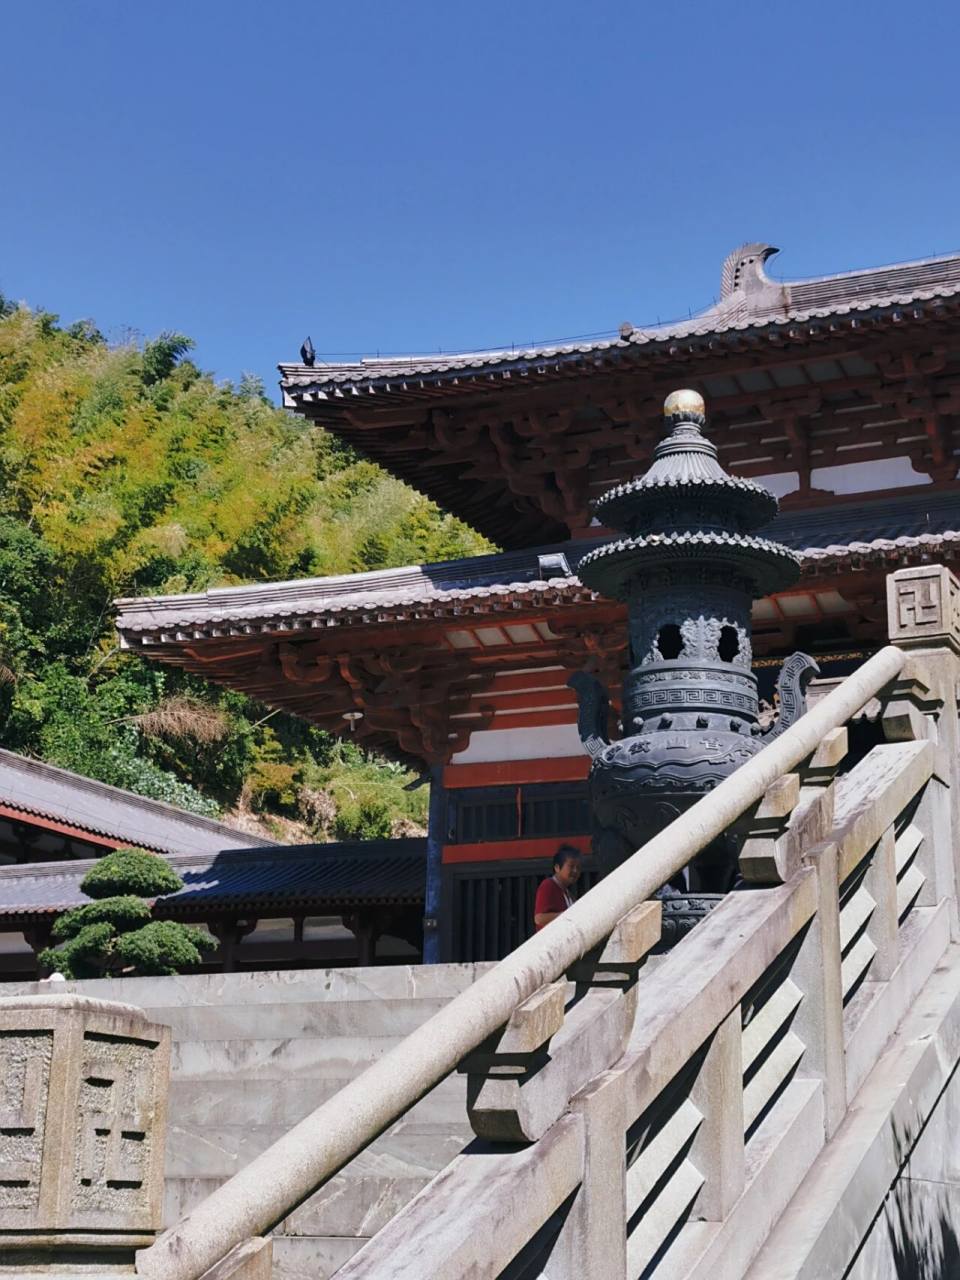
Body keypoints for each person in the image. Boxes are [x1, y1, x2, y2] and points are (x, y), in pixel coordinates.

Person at [534, 845, 582, 930]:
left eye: (578, 867)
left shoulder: (568, 893)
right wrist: (567, 915)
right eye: (571, 866)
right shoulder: (548, 885)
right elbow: (539, 919)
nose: (575, 871)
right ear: (557, 868)